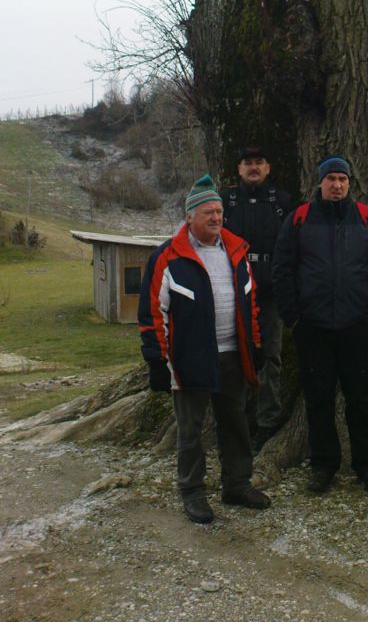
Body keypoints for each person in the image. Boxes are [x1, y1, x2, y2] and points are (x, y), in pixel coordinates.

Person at [138, 174, 271, 524]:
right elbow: (154, 312)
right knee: (191, 430)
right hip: (189, 359)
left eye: (219, 211)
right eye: (208, 212)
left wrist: (255, 344)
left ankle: (237, 484)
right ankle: (192, 492)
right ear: (190, 217)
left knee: (236, 423)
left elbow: (250, 301)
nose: (216, 218)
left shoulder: (237, 252)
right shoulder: (168, 257)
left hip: (232, 355)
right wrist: (156, 360)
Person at [272, 155, 368, 494]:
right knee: (318, 399)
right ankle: (324, 465)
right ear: (320, 183)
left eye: (342, 179)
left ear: (350, 183)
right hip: (313, 327)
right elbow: (282, 270)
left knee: (359, 398)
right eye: (331, 179)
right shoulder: (299, 219)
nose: (337, 185)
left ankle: (367, 465)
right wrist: (294, 318)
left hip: (358, 326)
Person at [221, 145, 293, 451]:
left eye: (259, 162)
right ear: (238, 169)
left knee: (271, 358)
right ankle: (237, 422)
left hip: (271, 294)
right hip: (233, 293)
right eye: (247, 163)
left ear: (268, 168)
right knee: (234, 357)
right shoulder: (226, 202)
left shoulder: (282, 202)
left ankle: (267, 423)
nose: (253, 167)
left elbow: (294, 248)